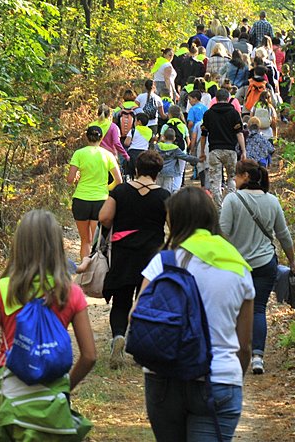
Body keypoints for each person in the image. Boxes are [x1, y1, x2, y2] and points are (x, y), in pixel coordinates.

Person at [140, 187, 254, 442]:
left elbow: (136, 316)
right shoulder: (239, 267)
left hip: (164, 377)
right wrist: (233, 377)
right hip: (218, 378)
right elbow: (244, 344)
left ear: (175, 221)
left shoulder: (163, 262)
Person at [0, 210, 97, 439]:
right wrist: (64, 387)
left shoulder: (3, 290)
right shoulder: (71, 293)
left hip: (10, 395)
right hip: (53, 401)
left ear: (19, 245)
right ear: (56, 246)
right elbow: (89, 355)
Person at [219, 160, 295, 376]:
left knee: (235, 309)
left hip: (236, 265)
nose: (233, 180)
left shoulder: (232, 200)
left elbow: (222, 232)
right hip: (265, 264)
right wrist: (292, 261)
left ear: (245, 176)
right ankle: (257, 357)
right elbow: (283, 234)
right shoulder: (272, 201)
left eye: (235, 176)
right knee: (259, 309)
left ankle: (233, 354)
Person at [97, 151, 170, 369]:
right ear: (158, 172)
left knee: (121, 300)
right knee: (146, 301)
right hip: (152, 255)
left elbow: (104, 217)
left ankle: (118, 336)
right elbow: (173, 225)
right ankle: (140, 349)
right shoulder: (164, 195)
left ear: (137, 169)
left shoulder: (120, 191)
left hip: (124, 252)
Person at [67, 125, 123, 272]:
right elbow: (119, 180)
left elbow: (70, 179)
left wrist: (78, 177)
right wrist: (107, 188)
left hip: (81, 200)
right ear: (101, 137)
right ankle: (94, 272)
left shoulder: (79, 154)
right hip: (101, 201)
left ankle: (83, 272)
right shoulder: (108, 155)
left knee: (85, 240)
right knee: (96, 242)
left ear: (87, 137)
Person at [200, 88, 246, 207]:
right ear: (227, 98)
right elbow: (239, 133)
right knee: (232, 178)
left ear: (216, 99)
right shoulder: (234, 113)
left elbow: (204, 135)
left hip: (214, 151)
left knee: (215, 181)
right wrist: (244, 151)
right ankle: (229, 205)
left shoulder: (208, 114)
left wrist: (201, 152)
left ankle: (218, 208)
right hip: (230, 150)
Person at [157, 128, 201, 193]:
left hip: (159, 171)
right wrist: (198, 159)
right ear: (174, 138)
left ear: (164, 137)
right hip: (170, 172)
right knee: (167, 190)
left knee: (158, 188)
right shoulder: (175, 149)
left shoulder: (158, 146)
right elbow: (186, 157)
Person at [123, 113, 154, 178]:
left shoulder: (133, 130)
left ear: (139, 122)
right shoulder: (150, 131)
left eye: (135, 120)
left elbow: (126, 143)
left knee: (131, 173)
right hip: (144, 154)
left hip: (133, 153)